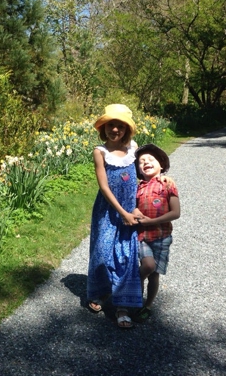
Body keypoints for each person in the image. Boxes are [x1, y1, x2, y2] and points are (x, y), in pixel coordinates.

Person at [87, 104, 143, 329]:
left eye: (120, 125)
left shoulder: (134, 149)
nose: (115, 130)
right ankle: (99, 292)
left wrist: (136, 209)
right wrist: (123, 213)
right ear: (104, 128)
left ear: (126, 129)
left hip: (131, 210)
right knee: (102, 252)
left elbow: (144, 177)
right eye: (111, 125)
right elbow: (104, 187)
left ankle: (122, 307)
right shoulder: (100, 152)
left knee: (125, 256)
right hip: (108, 210)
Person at [132, 143, 180, 323]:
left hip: (162, 237)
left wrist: (151, 221)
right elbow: (133, 208)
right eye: (141, 161)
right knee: (148, 266)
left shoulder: (168, 185)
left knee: (154, 275)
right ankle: (130, 289)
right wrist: (135, 212)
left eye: (151, 159)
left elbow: (175, 212)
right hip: (142, 236)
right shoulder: (138, 188)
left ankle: (147, 305)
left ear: (161, 164)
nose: (146, 162)